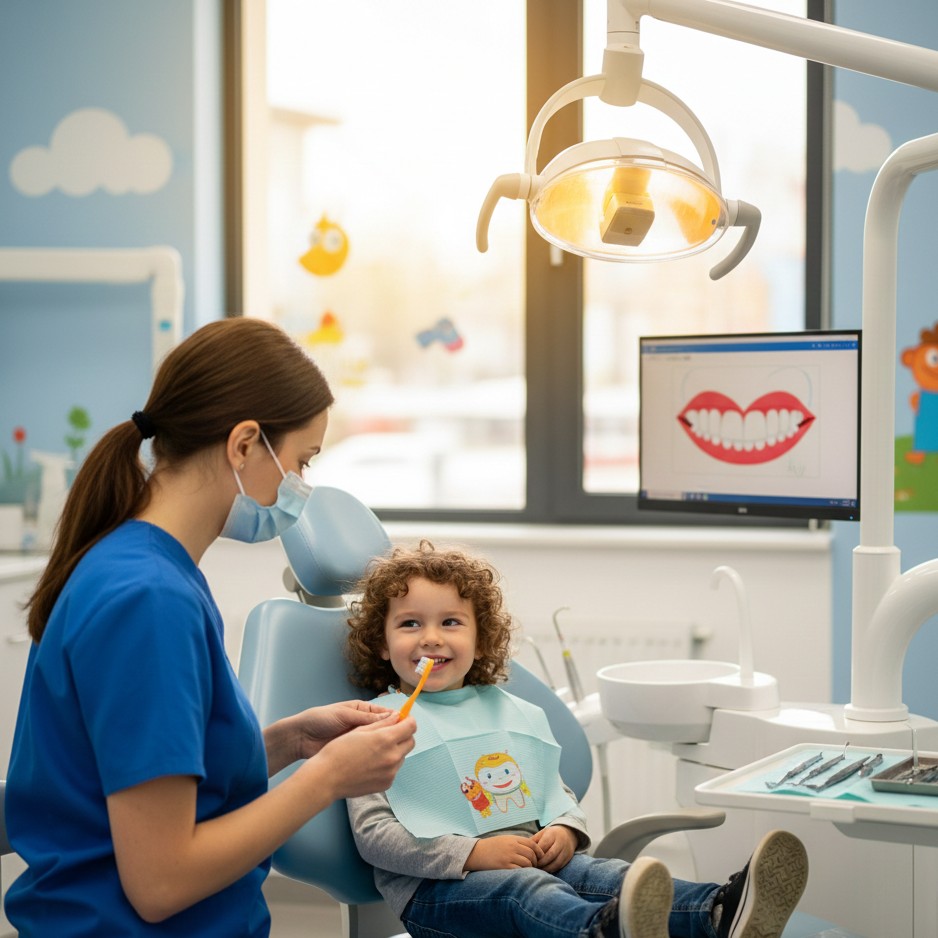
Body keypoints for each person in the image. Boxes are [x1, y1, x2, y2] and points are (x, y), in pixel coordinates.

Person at [4, 318, 417, 936]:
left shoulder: (139, 566)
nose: (302, 487)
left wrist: (287, 743)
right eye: (301, 461)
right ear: (245, 444)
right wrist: (328, 779)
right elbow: (162, 881)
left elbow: (139, 778)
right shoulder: (147, 602)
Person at [345, 541, 809, 938]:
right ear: (382, 644)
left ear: (481, 640)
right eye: (409, 624)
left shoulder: (508, 712)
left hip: (527, 860)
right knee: (526, 891)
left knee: (605, 874)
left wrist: (565, 830)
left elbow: (554, 793)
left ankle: (717, 912)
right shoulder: (372, 727)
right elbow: (374, 836)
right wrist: (473, 853)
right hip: (436, 894)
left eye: (450, 622)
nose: (430, 638)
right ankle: (597, 931)